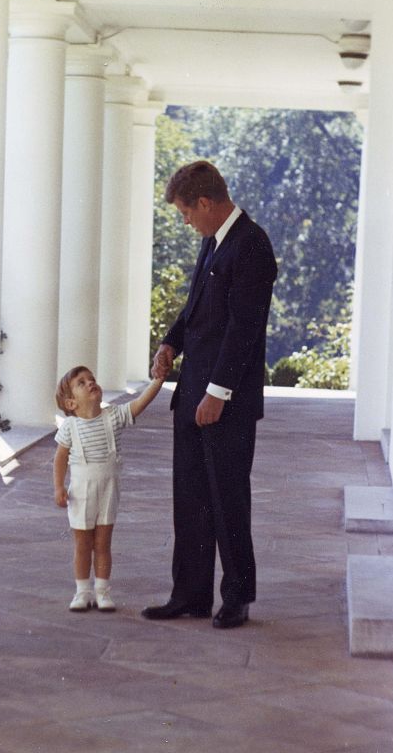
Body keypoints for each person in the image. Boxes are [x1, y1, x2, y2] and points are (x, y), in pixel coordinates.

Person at [142, 160, 277, 629]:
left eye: (186, 213)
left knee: (228, 500)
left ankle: (237, 597)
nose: (185, 222)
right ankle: (190, 595)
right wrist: (170, 343)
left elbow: (244, 329)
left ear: (205, 202)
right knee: (191, 498)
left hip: (226, 401)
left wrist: (218, 392)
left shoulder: (252, 244)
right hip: (192, 393)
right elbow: (195, 307)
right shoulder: (213, 240)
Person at [54, 366, 164, 612]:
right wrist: (58, 486)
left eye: (91, 379)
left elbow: (139, 404)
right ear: (71, 403)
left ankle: (102, 591)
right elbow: (60, 458)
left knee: (103, 544)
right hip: (81, 494)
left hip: (108, 492)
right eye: (81, 383)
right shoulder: (70, 427)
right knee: (83, 545)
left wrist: (157, 381)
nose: (90, 382)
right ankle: (82, 591)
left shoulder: (113, 416)